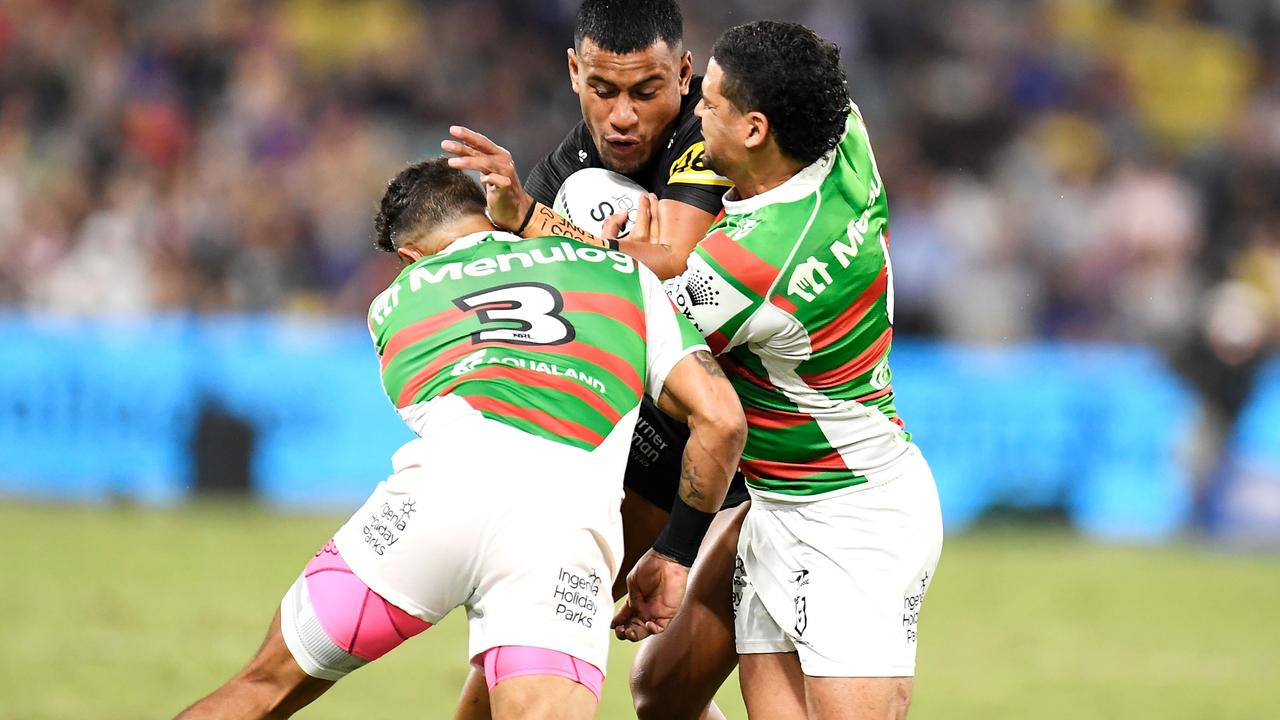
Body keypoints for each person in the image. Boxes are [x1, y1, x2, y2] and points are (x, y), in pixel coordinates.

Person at [175, 158, 746, 720]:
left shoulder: (391, 305)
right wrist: (672, 554)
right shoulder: (624, 275)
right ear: (490, 218)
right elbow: (721, 421)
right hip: (560, 529)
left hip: (436, 502)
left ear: (407, 258)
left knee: (261, 688)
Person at [443, 2, 749, 718]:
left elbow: (670, 261)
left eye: (646, 92)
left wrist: (537, 223)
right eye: (603, 90)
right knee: (658, 697)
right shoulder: (575, 161)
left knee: (524, 665)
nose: (621, 116)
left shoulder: (711, 129)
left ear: (683, 72)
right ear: (574, 70)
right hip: (645, 433)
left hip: (728, 438)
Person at [651, 22, 944, 719]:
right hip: (779, 504)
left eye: (711, 102)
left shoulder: (748, 266)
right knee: (659, 698)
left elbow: (638, 336)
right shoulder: (846, 139)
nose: (696, 110)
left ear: (755, 130)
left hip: (853, 517)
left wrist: (552, 231)